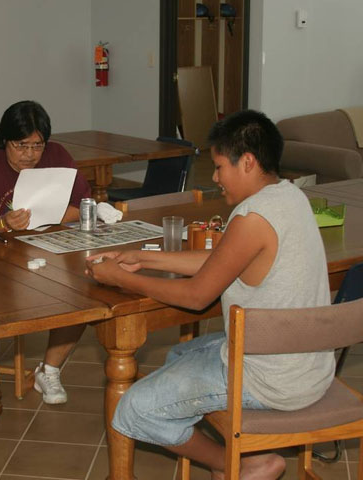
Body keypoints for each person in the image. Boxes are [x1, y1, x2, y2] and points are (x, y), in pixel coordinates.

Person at [85, 110, 333, 479]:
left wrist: (121, 279)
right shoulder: (289, 197)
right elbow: (222, 260)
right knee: (179, 353)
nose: (215, 178)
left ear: (247, 162)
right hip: (310, 367)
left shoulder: (252, 217)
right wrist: (141, 258)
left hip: (272, 379)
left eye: (219, 167)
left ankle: (240, 464)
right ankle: (241, 449)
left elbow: (197, 296)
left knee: (133, 409)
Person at [0, 100, 91, 404]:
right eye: (21, 146)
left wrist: (51, 214)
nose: (30, 155)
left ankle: (50, 370)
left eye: (37, 146)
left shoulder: (58, 157)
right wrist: (4, 222)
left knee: (84, 295)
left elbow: (83, 206)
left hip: (47, 249)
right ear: (5, 141)